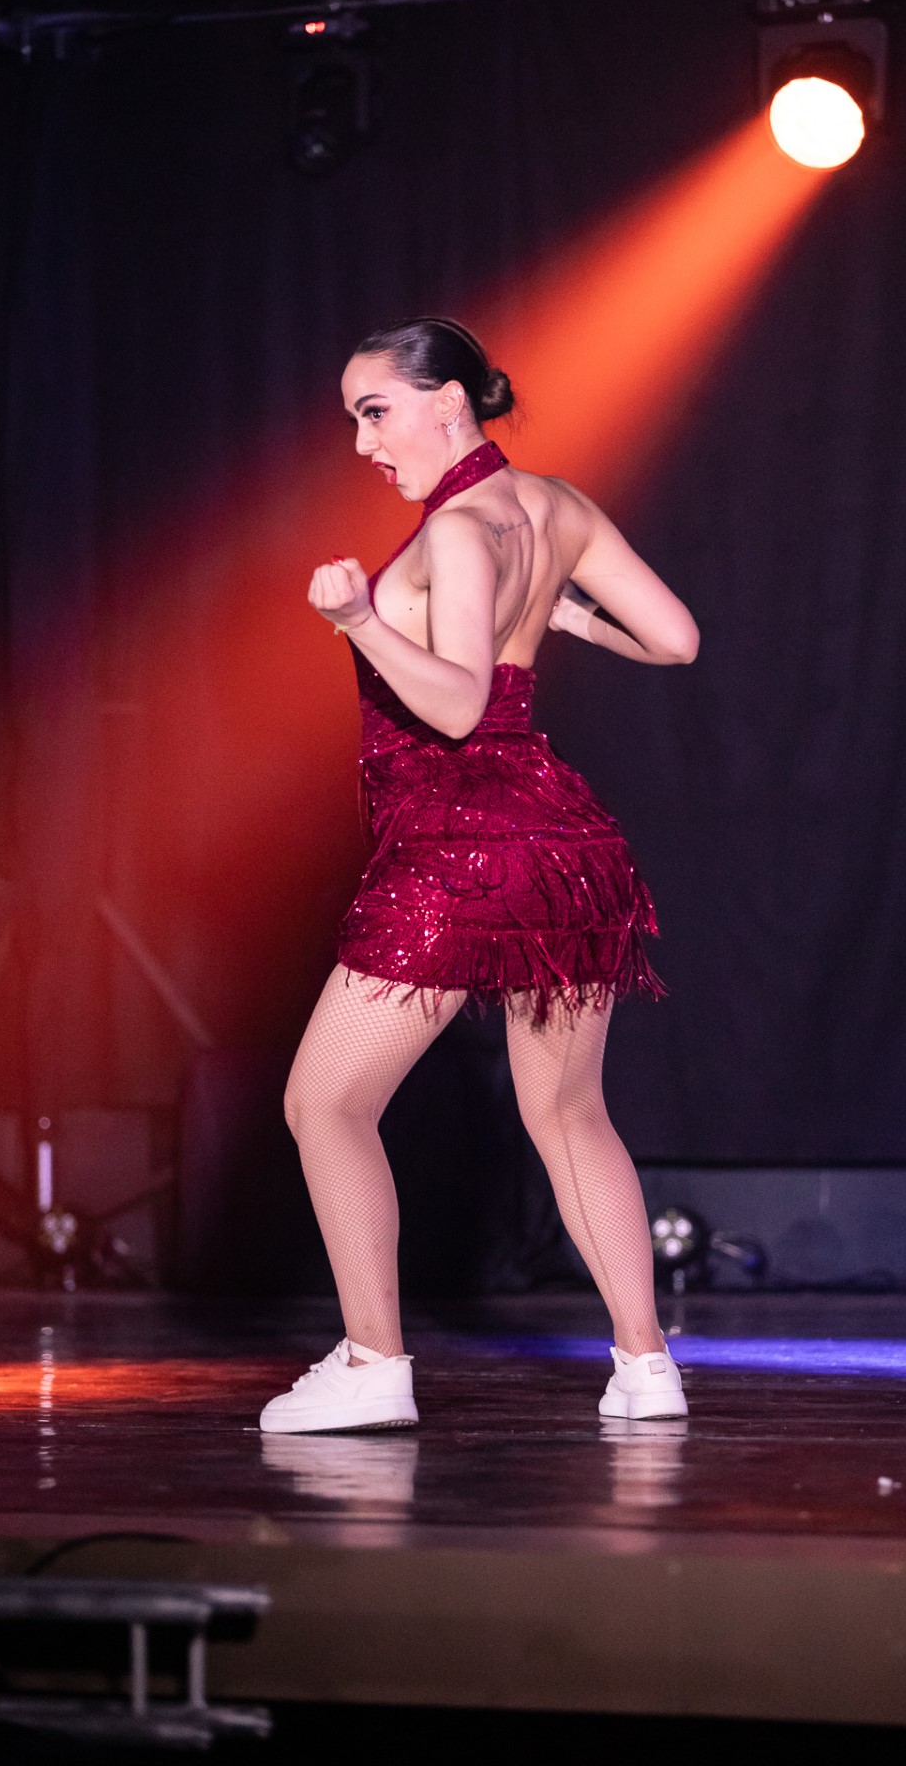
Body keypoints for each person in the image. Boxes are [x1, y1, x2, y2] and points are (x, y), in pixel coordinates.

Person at [259, 317, 700, 1436]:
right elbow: (676, 639)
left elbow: (457, 708)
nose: (363, 443)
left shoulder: (457, 529)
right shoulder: (557, 507)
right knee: (569, 1112)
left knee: (324, 1104)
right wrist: (568, 617)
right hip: (565, 844)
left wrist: (358, 619)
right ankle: (646, 1366)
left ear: (449, 401)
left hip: (464, 847)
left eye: (375, 412)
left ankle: (374, 1361)